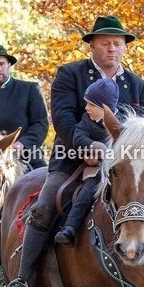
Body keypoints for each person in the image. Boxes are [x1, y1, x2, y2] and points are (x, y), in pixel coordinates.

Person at [0, 17, 144, 287]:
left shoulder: (137, 85)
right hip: (71, 159)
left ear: (125, 47)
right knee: (44, 207)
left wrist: (112, 152)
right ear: (92, 45)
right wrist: (85, 147)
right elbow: (62, 117)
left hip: (122, 165)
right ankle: (21, 284)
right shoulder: (70, 74)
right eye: (105, 44)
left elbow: (142, 130)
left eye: (118, 44)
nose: (112, 49)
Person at [54, 78, 118, 246]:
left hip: (120, 169)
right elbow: (78, 138)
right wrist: (94, 145)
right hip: (97, 170)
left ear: (105, 108)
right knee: (87, 192)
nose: (86, 108)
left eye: (91, 105)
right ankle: (70, 228)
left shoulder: (122, 121)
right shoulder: (86, 121)